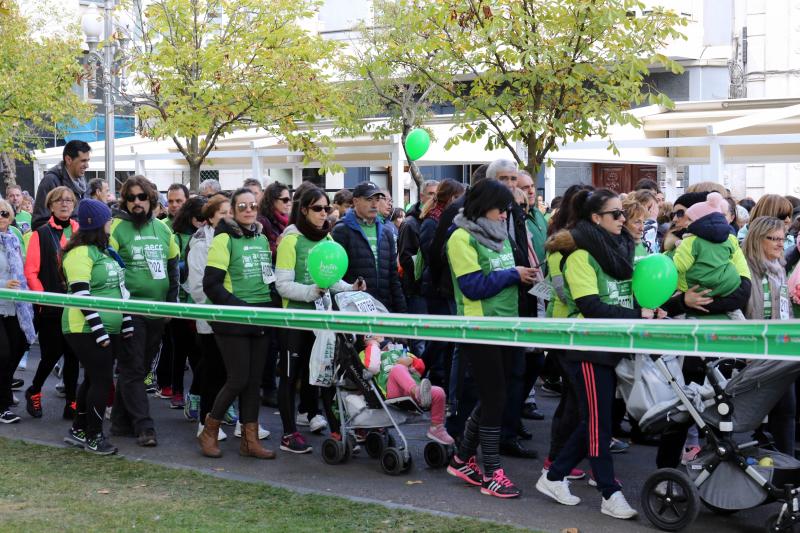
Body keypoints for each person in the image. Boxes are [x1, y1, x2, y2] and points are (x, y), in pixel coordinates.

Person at [536, 188, 652, 520]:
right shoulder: (580, 256)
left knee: (594, 421)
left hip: (610, 344)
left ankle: (554, 476)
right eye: (615, 214)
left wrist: (653, 309)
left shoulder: (620, 250)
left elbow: (625, 298)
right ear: (595, 219)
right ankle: (609, 492)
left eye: (623, 213)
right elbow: (591, 305)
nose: (623, 219)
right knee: (598, 422)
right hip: (586, 346)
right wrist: (637, 316)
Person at [445, 179, 537, 499]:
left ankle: (462, 457)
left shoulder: (499, 236)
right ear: (485, 206)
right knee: (495, 397)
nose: (505, 215)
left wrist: (526, 277)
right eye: (502, 209)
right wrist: (514, 274)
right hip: (480, 328)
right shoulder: (460, 237)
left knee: (495, 397)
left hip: (504, 327)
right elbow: (472, 286)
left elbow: (499, 278)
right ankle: (492, 473)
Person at [275, 187, 365, 453]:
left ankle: (338, 432)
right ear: (303, 210)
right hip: (295, 320)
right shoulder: (290, 240)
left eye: (326, 209)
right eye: (317, 209)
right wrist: (309, 291)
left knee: (327, 376)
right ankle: (289, 434)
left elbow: (330, 279)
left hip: (322, 320)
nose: (323, 213)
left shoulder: (327, 239)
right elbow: (282, 284)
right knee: (291, 377)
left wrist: (351, 287)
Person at [199, 188, 276, 459]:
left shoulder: (261, 237)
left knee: (253, 382)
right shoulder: (223, 239)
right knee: (238, 378)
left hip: (262, 316)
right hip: (233, 319)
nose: (248, 209)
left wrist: (269, 309)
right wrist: (242, 309)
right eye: (242, 205)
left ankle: (249, 441)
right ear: (232, 210)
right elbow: (211, 284)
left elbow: (268, 279)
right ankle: (209, 431)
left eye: (253, 205)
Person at [109, 175, 179, 447]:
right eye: (131, 198)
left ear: (151, 200)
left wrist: (171, 306)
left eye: (142, 197)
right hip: (129, 309)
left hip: (157, 311)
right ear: (125, 201)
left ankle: (119, 422)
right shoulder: (115, 227)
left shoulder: (163, 230)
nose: (137, 202)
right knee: (134, 368)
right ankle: (144, 426)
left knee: (136, 369)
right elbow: (108, 266)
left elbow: (173, 268)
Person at [60, 199, 132, 455]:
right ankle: (94, 436)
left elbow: (119, 289)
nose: (112, 223)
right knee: (102, 381)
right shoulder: (80, 252)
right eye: (109, 220)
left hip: (106, 328)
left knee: (93, 378)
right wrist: (100, 331)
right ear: (100, 224)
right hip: (84, 328)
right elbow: (81, 295)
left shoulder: (105, 250)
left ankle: (80, 429)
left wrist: (126, 320)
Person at [23, 186, 80, 419]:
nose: (64, 204)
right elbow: (31, 272)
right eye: (59, 201)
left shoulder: (80, 231)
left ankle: (72, 402)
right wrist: (43, 299)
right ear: (50, 206)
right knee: (51, 354)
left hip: (76, 304)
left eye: (68, 200)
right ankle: (34, 390)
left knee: (73, 355)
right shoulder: (40, 234)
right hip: (50, 306)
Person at [743, 217, 795, 454]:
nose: (779, 244)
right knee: (755, 414)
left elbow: (784, 308)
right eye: (773, 239)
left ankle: (787, 463)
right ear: (757, 239)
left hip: (780, 350)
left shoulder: (779, 268)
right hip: (755, 351)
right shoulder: (746, 269)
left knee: (786, 410)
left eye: (782, 239)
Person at [184, 195, 234, 441]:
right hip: (212, 318)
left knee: (227, 372)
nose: (228, 216)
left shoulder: (232, 237)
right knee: (212, 372)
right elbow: (197, 287)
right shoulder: (201, 244)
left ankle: (222, 418)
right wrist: (218, 311)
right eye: (223, 213)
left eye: (229, 212)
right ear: (211, 217)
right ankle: (205, 422)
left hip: (231, 317)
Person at [359, 336, 453, 444]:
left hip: (412, 386)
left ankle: (436, 428)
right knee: (397, 369)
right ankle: (417, 392)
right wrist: (374, 345)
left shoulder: (400, 350)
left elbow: (421, 367)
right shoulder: (366, 353)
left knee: (439, 392)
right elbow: (372, 367)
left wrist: (411, 361)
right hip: (392, 391)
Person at [331, 181, 406, 313]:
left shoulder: (386, 232)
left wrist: (401, 310)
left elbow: (393, 277)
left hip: (384, 307)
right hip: (354, 309)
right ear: (355, 201)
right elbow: (335, 276)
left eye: (377, 199)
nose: (374, 204)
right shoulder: (342, 230)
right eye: (369, 199)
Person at [418, 179, 464, 389]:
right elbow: (432, 255)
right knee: (440, 338)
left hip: (446, 286)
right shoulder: (431, 221)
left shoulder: (451, 220)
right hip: (437, 287)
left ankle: (443, 381)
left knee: (449, 339)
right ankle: (417, 370)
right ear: (451, 198)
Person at [674, 192, 749, 319]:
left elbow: (679, 265)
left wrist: (685, 301)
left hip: (696, 296)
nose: (676, 219)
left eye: (689, 219)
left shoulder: (690, 242)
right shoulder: (730, 239)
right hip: (727, 287)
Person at [161, 197, 206, 410]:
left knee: (199, 353)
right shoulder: (177, 237)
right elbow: (173, 267)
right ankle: (177, 391)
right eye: (200, 217)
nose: (203, 221)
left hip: (200, 303)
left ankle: (197, 394)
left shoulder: (211, 236)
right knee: (180, 351)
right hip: (181, 302)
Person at [0, 199, 35, 424]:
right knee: (2, 354)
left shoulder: (13, 238)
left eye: (4, 212)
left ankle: (3, 387)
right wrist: (3, 285)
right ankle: (2, 406)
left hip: (15, 305)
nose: (1, 216)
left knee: (20, 346)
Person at [32, 140, 90, 230]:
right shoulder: (50, 181)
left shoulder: (82, 184)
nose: (87, 165)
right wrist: (65, 234)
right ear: (68, 160)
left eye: (87, 161)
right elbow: (39, 222)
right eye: (83, 161)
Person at [257, 182, 291, 259]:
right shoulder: (262, 221)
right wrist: (278, 245)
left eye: (289, 199)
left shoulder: (287, 219)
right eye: (285, 200)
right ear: (273, 200)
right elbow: (260, 252)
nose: (288, 203)